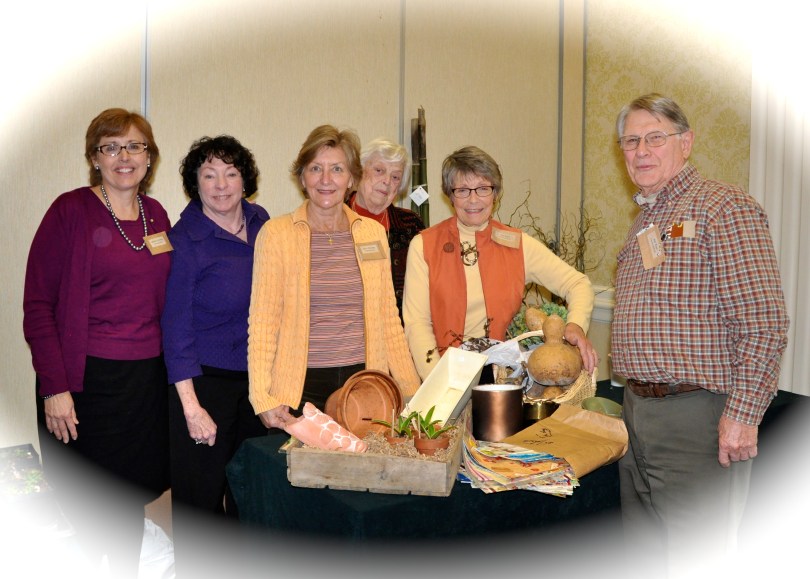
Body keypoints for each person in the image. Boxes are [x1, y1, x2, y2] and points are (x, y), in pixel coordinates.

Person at [610, 93, 789, 577]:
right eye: (631, 141)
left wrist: (743, 415)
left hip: (697, 418)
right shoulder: (646, 221)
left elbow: (763, 320)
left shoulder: (722, 205)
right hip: (638, 412)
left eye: (655, 138)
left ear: (685, 143)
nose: (641, 151)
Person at [23, 108, 171, 577]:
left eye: (134, 146)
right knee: (85, 506)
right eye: (111, 147)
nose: (124, 157)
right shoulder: (69, 211)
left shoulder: (157, 214)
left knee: (128, 499)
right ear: (94, 157)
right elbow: (38, 305)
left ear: (149, 156)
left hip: (143, 384)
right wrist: (55, 387)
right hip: (84, 383)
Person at [248, 125, 421, 430]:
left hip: (365, 387)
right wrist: (262, 397)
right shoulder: (276, 234)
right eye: (316, 168)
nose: (326, 180)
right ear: (302, 177)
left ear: (352, 178)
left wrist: (411, 392)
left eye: (337, 169)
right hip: (298, 390)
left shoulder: (371, 233)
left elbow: (388, 319)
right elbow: (263, 322)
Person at [160, 135, 269, 573]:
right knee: (200, 499)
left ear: (245, 180)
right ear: (195, 183)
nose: (221, 185)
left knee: (251, 490)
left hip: (257, 383)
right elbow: (175, 327)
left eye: (231, 173)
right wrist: (191, 407)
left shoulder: (262, 223)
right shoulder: (185, 239)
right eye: (209, 175)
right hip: (203, 383)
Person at [402, 145, 598, 381]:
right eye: (462, 190)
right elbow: (417, 323)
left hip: (501, 375)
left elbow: (578, 284)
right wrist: (438, 379)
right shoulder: (423, 245)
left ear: (495, 194)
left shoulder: (517, 245)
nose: (473, 199)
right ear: (450, 195)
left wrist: (576, 325)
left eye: (483, 189)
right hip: (441, 370)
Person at [346, 138, 425, 317]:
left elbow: (424, 288)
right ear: (360, 172)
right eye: (379, 170)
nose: (387, 181)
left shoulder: (411, 224)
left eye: (395, 177)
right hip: (346, 324)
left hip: (397, 325)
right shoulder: (335, 218)